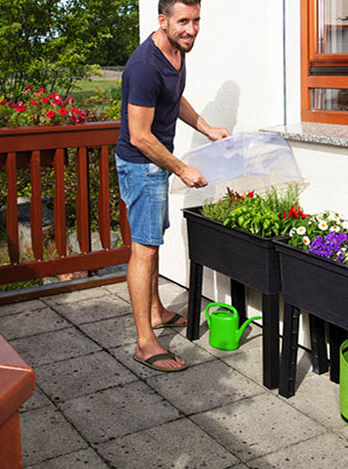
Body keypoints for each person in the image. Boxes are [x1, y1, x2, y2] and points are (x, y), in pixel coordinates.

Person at [115, 0, 230, 372]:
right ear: (163, 20)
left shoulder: (176, 52)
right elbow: (138, 136)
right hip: (141, 166)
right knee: (144, 249)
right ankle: (145, 342)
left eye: (196, 21)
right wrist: (182, 168)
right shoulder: (145, 65)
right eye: (183, 21)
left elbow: (173, 98)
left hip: (156, 164)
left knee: (152, 241)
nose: (191, 29)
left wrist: (207, 128)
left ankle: (156, 310)